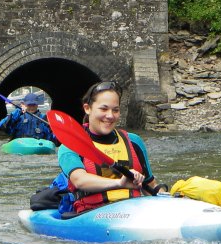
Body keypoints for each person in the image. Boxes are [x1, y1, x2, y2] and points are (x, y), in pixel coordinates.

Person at [57, 81, 166, 213]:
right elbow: (80, 180)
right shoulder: (71, 145)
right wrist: (119, 183)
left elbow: (150, 185)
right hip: (91, 214)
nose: (110, 116)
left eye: (115, 110)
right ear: (87, 108)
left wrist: (167, 198)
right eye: (104, 109)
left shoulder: (134, 141)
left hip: (135, 212)